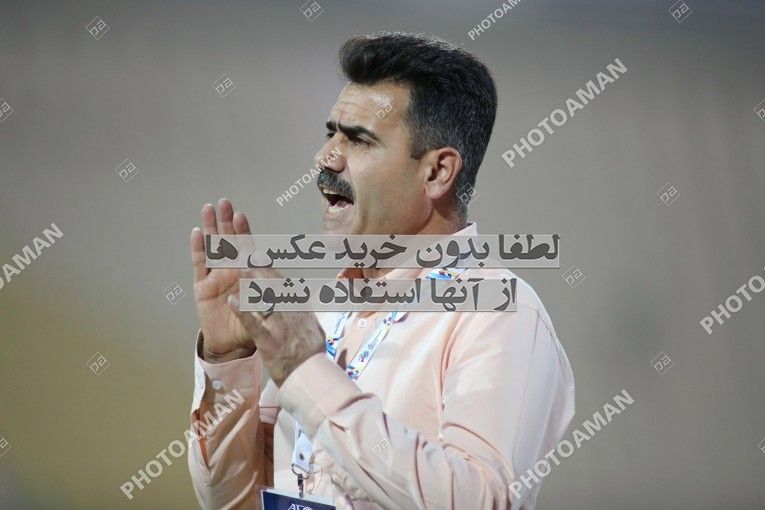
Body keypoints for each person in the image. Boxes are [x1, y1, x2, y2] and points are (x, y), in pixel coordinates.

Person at [187, 32, 574, 509]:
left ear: (437, 172)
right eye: (331, 133)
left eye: (358, 140)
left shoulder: (498, 316)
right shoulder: (329, 315)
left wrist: (307, 373)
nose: (326, 157)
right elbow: (234, 501)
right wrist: (227, 360)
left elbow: (479, 500)